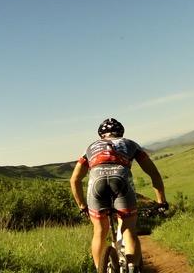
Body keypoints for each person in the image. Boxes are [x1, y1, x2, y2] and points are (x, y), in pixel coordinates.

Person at [69, 117, 169, 272]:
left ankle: (100, 269)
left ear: (101, 135)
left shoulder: (90, 147)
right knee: (128, 229)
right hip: (121, 180)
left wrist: (82, 206)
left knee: (99, 231)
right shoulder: (130, 144)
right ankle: (132, 267)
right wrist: (161, 201)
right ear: (121, 132)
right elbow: (154, 174)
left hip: (97, 183)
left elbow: (74, 180)